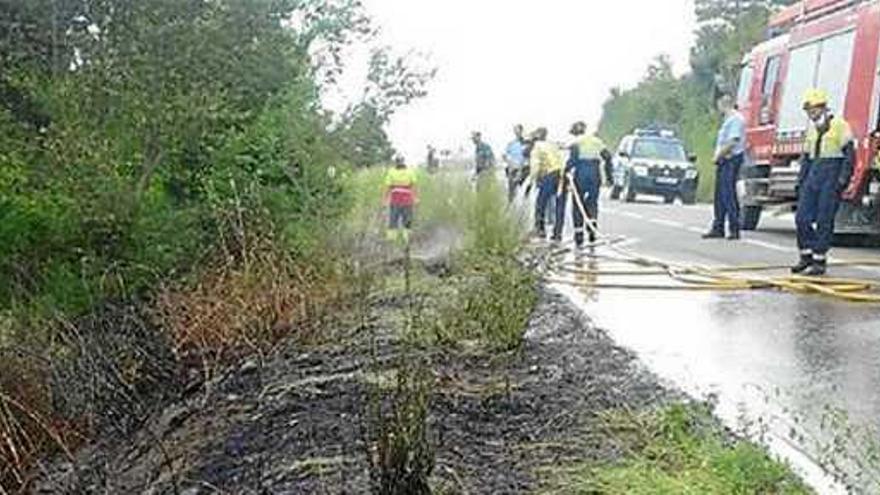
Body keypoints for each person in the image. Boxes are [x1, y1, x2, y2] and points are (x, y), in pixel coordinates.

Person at [791, 89, 855, 276]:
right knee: (801, 218)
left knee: (824, 220)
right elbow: (807, 159)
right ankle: (806, 256)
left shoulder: (840, 126)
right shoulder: (812, 130)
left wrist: (842, 180)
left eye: (813, 109)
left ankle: (819, 260)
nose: (810, 114)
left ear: (822, 108)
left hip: (831, 176)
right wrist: (801, 182)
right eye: (808, 111)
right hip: (813, 176)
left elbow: (849, 155)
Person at [703, 94, 746, 240]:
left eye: (719, 104)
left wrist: (718, 156)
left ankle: (734, 228)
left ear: (723, 103)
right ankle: (718, 227)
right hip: (725, 160)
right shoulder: (728, 120)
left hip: (730, 159)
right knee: (720, 196)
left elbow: (732, 142)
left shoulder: (736, 119)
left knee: (728, 195)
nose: (718, 107)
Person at [566, 121, 614, 247]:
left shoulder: (576, 143)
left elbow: (573, 160)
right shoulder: (596, 141)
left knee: (578, 203)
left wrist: (565, 172)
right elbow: (608, 157)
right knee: (592, 202)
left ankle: (579, 236)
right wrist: (609, 177)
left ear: (574, 132)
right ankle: (592, 230)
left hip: (581, 172)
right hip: (595, 172)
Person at [528, 127, 565, 241]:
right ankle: (557, 233)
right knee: (560, 205)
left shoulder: (537, 147)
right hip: (561, 175)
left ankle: (540, 230)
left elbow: (535, 165)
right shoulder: (552, 145)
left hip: (548, 175)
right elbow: (561, 158)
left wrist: (531, 181)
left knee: (541, 204)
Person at [384, 155, 418, 245]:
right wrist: (415, 198)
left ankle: (395, 241)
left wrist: (385, 199)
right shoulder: (410, 172)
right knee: (403, 221)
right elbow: (413, 186)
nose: (399, 163)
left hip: (397, 200)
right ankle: (402, 241)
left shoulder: (391, 172)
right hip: (404, 200)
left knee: (394, 220)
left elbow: (388, 186)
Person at [503, 124, 528, 202]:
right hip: (513, 169)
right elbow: (504, 155)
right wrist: (509, 162)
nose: (516, 132)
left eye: (518, 130)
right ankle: (511, 207)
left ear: (521, 131)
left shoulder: (526, 143)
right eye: (515, 130)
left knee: (523, 192)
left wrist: (522, 168)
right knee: (511, 191)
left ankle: (523, 207)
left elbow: (527, 157)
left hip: (524, 170)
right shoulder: (511, 143)